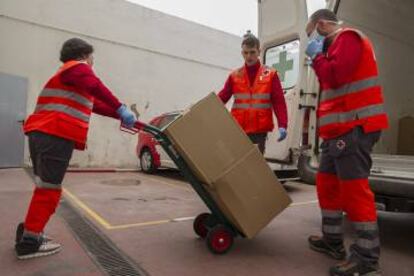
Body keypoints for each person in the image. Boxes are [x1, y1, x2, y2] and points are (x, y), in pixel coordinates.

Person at [15, 38, 137, 259]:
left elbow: (96, 103)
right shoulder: (77, 69)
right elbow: (96, 87)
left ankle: (29, 232)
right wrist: (120, 107)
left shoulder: (71, 78)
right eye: (92, 57)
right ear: (83, 55)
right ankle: (30, 240)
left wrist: (123, 114)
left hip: (43, 133)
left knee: (44, 186)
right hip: (55, 134)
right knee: (49, 189)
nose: (93, 62)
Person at [305, 9, 388, 276]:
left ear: (321, 26)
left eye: (311, 34)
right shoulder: (333, 48)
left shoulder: (348, 38)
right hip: (336, 132)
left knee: (354, 190)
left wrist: (317, 56)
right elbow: (332, 83)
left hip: (354, 126)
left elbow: (336, 76)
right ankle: (332, 241)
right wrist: (320, 57)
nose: (311, 42)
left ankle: (366, 258)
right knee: (327, 184)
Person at [218, 31, 288, 153]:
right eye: (246, 53)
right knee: (239, 164)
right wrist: (202, 109)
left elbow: (279, 102)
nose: (249, 56)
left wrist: (283, 125)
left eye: (252, 52)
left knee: (255, 167)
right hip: (239, 130)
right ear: (242, 53)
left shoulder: (270, 75)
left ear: (259, 52)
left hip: (259, 132)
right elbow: (221, 98)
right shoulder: (234, 76)